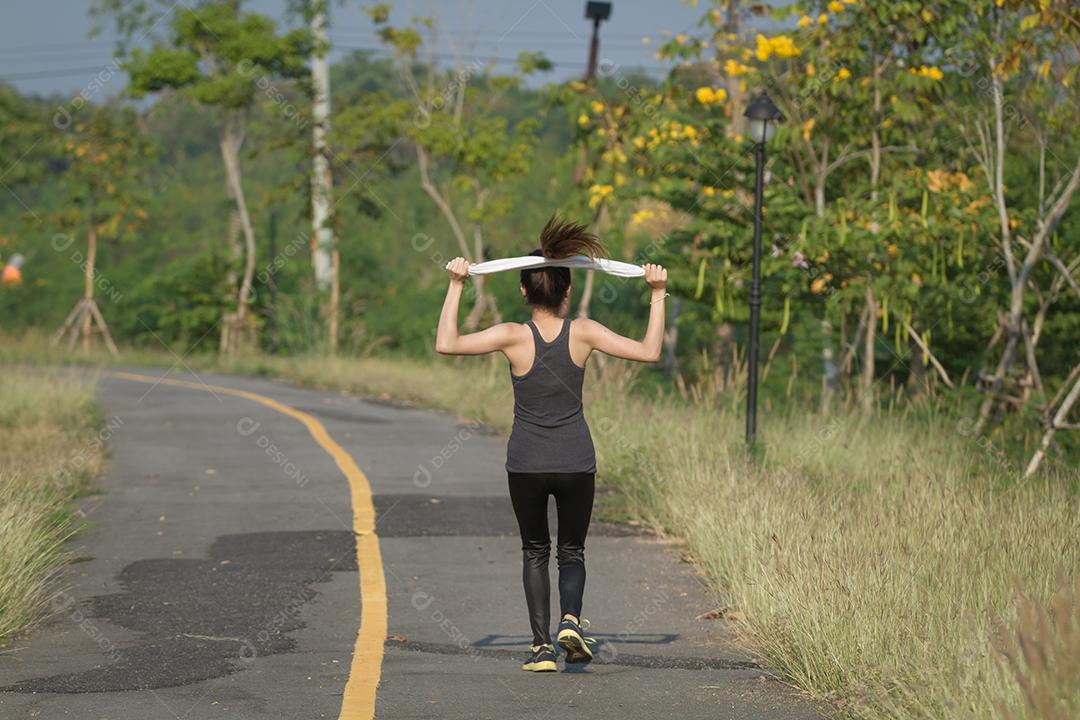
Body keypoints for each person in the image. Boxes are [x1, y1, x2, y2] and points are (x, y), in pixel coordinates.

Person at [435, 215, 668, 672]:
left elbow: (446, 342)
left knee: (535, 551)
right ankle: (570, 621)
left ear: (524, 290)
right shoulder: (584, 332)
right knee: (572, 552)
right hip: (575, 461)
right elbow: (650, 351)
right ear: (567, 290)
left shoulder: (511, 335)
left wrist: (457, 284)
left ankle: (542, 648)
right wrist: (657, 293)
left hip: (526, 463)